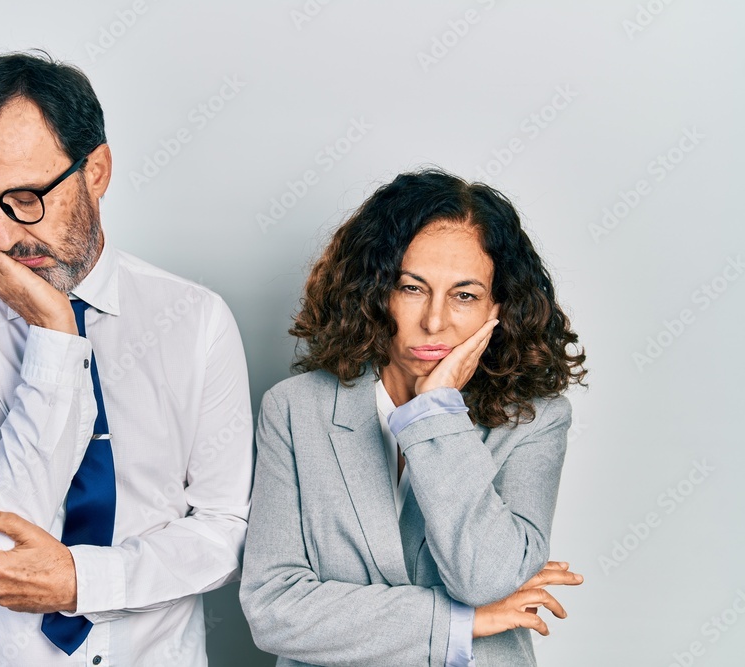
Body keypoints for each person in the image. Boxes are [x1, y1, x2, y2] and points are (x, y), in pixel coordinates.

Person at [0, 51, 252, 666]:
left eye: (28, 197)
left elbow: (223, 532)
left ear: (97, 172)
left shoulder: (196, 320)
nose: (5, 237)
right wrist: (54, 337)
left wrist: (82, 582)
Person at [239, 169, 587, 666]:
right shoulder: (295, 408)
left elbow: (485, 576)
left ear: (498, 308)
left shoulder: (535, 419)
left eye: (465, 295)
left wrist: (436, 410)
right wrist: (462, 622)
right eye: (412, 288)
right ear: (374, 290)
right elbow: (273, 609)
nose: (435, 320)